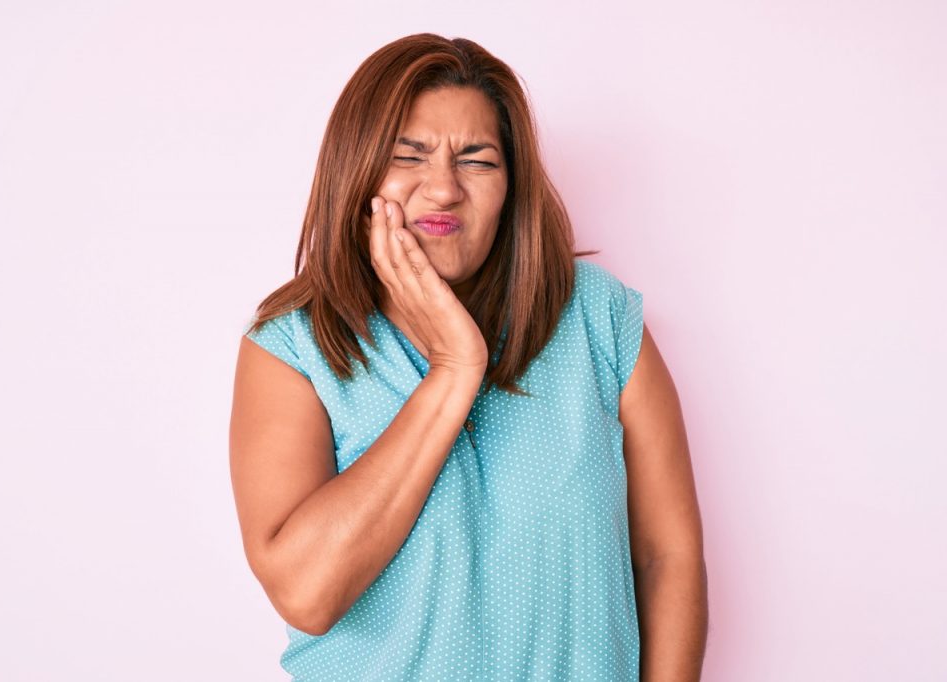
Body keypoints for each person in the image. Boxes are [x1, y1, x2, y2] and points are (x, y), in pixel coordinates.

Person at [229, 33, 707, 681]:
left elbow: (666, 555)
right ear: (358, 170)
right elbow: (308, 595)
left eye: (478, 160)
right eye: (410, 155)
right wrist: (455, 369)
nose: (444, 188)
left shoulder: (598, 316)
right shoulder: (292, 349)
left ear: (512, 185)